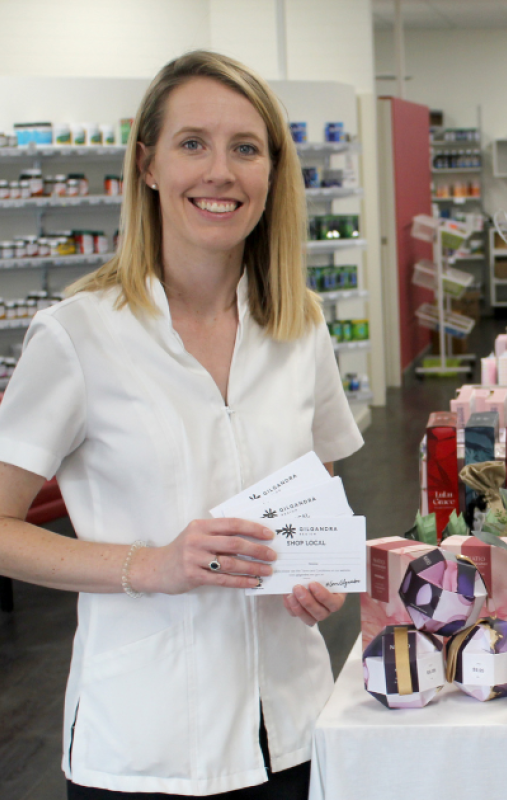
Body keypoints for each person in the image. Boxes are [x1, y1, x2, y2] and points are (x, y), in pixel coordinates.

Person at [0, 51, 363, 798]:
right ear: (149, 166)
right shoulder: (78, 336)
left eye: (246, 148)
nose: (220, 172)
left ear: (272, 172)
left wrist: (317, 574)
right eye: (192, 143)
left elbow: (317, 487)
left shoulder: (301, 327)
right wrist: (152, 566)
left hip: (291, 728)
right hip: (144, 745)